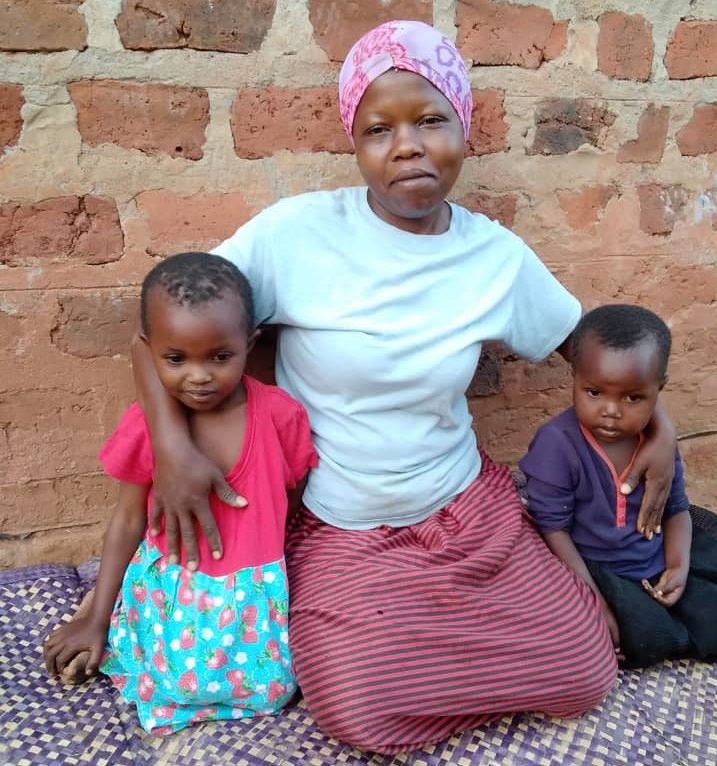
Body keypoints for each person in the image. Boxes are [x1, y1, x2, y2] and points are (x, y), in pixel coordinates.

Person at [125, 22, 681, 753]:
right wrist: (170, 445)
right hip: (345, 525)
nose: (407, 146)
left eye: (429, 121)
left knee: (585, 673)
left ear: (464, 127)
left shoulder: (492, 257)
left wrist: (660, 428)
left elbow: (591, 348)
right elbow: (156, 328)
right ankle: (424, 651)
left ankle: (439, 647)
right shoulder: (297, 236)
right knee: (356, 713)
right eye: (378, 129)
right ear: (355, 146)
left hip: (466, 510)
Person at [43, 253, 317, 734]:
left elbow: (291, 498)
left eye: (220, 356)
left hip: (255, 600)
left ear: (249, 344)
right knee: (173, 680)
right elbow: (128, 520)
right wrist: (97, 620)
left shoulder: (279, 416)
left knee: (272, 687)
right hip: (171, 594)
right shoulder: (147, 426)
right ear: (149, 352)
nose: (198, 376)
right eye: (175, 359)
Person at [519, 305, 717, 668]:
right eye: (594, 392)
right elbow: (553, 528)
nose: (611, 410)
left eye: (633, 398)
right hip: (594, 570)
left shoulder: (657, 444)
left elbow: (676, 508)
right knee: (635, 635)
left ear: (659, 389)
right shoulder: (557, 444)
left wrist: (678, 566)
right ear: (574, 378)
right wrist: (592, 599)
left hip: (653, 561)